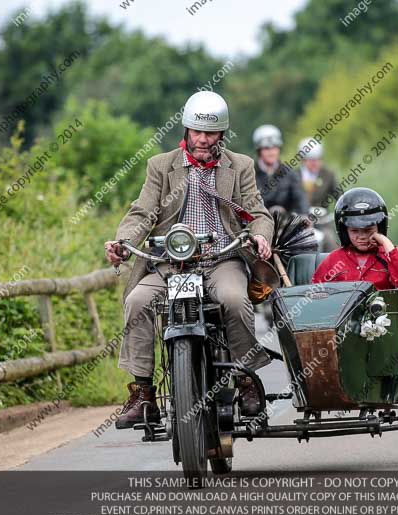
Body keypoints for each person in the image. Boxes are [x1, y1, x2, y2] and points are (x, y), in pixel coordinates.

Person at [104, 91, 274, 427]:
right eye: (197, 132)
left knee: (234, 299)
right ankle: (142, 393)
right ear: (186, 130)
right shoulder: (161, 166)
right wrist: (123, 243)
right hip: (170, 263)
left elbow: (258, 213)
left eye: (210, 134)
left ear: (222, 134)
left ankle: (245, 379)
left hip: (222, 258)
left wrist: (259, 235)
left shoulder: (240, 166)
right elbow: (142, 212)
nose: (202, 140)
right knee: (137, 300)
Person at [312, 187, 398, 289]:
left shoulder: (389, 256)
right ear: (344, 231)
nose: (362, 236)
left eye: (368, 230)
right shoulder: (333, 260)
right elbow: (314, 294)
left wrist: (385, 241)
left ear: (380, 228)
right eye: (354, 231)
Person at [252, 124, 308, 214]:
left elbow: (300, 199)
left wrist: (303, 216)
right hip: (256, 223)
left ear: (279, 148)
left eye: (274, 147)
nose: (271, 152)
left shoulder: (290, 173)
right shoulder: (249, 172)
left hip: (287, 225)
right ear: (259, 150)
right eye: (266, 148)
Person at [291, 137, 339, 209]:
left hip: (321, 217)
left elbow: (339, 196)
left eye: (317, 159)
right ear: (303, 159)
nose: (314, 163)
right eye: (311, 159)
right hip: (297, 217)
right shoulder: (293, 175)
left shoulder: (328, 175)